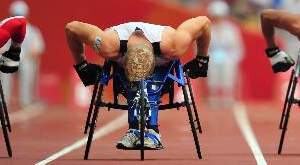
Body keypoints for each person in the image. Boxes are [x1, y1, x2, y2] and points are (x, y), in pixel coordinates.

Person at [65, 16, 211, 150]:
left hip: (162, 65)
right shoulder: (107, 46)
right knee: (133, 84)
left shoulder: (174, 45)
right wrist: (81, 65)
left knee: (151, 83)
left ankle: (152, 131)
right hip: (121, 63)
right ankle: (134, 129)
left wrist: (202, 58)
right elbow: (71, 28)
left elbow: (204, 22)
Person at [0, 1, 45, 108]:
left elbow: (38, 48)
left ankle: (25, 100)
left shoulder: (33, 31)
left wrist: (28, 55)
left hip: (25, 60)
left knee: (27, 66)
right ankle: (3, 99)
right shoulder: (4, 29)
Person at [206, 0, 244, 107]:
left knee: (228, 69)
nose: (218, 19)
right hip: (212, 56)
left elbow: (238, 47)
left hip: (228, 57)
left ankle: (228, 96)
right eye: (216, 16)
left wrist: (233, 58)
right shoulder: (208, 29)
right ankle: (213, 96)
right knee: (212, 71)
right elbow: (202, 47)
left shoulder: (232, 30)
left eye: (220, 16)